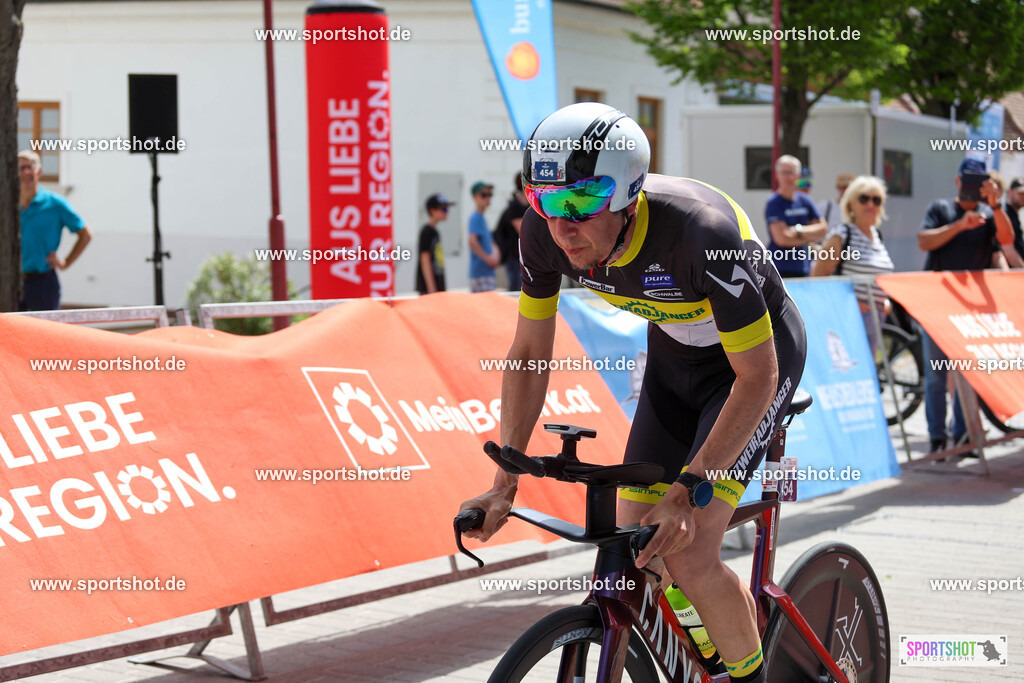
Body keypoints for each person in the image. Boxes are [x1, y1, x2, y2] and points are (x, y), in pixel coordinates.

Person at [458, 102, 807, 683]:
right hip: (675, 359)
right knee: (637, 546)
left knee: (690, 550)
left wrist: (690, 489)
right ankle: (703, 638)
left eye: (581, 203)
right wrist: (504, 480)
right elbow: (527, 352)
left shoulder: (702, 234)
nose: (562, 226)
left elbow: (757, 378)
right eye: (544, 201)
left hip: (753, 363)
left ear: (630, 194)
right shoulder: (543, 238)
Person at [918, 157, 1015, 453]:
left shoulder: (989, 213)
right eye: (970, 180)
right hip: (937, 305)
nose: (973, 187)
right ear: (959, 181)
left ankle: (963, 434)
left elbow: (1007, 239)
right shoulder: (940, 208)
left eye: (979, 182)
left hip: (972, 312)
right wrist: (960, 225)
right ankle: (937, 437)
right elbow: (924, 241)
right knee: (937, 374)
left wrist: (996, 204)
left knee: (968, 373)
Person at [810, 175, 895, 356]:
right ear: (851, 204)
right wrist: (851, 304)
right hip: (848, 320)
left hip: (875, 319)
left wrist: (884, 302)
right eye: (864, 198)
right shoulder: (842, 234)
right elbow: (818, 277)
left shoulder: (876, 236)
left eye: (876, 200)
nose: (871, 205)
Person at [18, 150, 92, 311]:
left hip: (43, 283)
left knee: (43, 334)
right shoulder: (7, 203)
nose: (26, 172)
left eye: (30, 167)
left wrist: (65, 263)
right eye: (22, 168)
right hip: (10, 283)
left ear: (39, 171)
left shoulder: (55, 203)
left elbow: (85, 235)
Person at [764, 155, 827, 277]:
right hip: (780, 268)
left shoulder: (805, 200)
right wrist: (810, 236)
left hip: (803, 268)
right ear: (777, 175)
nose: (788, 177)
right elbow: (781, 239)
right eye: (784, 173)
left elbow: (823, 229)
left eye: (791, 173)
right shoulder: (774, 202)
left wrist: (796, 231)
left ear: (798, 175)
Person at [492, 174, 528, 291]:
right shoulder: (515, 207)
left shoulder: (528, 206)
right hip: (514, 257)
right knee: (517, 288)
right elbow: (524, 231)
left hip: (524, 257)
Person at [467, 181, 500, 292]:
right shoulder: (475, 217)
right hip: (481, 273)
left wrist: (494, 256)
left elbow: (490, 243)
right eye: (483, 195)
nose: (487, 198)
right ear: (474, 197)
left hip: (486, 272)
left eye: (489, 194)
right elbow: (472, 241)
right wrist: (488, 259)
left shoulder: (481, 218)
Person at [415, 193, 451, 295]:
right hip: (429, 289)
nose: (446, 212)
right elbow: (425, 259)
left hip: (437, 285)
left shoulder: (435, 232)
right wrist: (431, 288)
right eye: (443, 209)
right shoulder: (426, 232)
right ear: (432, 211)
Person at [1003, 178, 1024, 267]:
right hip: (1008, 276)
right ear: (1010, 192)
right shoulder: (1005, 214)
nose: (1023, 197)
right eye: (1020, 193)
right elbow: (1008, 251)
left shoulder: (1014, 215)